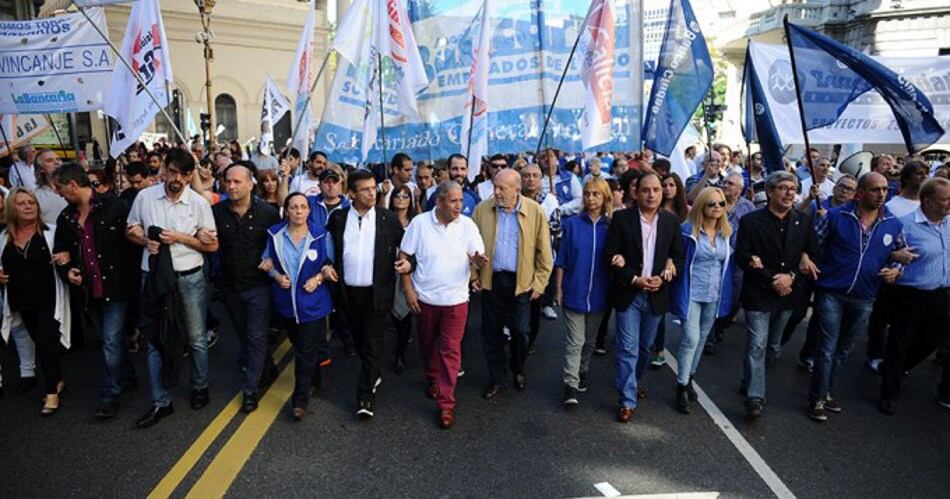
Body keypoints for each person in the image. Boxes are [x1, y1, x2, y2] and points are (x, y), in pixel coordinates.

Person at [126, 148, 219, 429]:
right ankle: (160, 401)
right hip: (154, 279)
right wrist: (145, 241)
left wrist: (180, 238)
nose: (175, 178)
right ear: (163, 169)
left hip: (189, 277)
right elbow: (131, 229)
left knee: (196, 338)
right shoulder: (145, 198)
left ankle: (199, 386)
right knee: (154, 339)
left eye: (182, 173)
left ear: (190, 176)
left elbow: (212, 245)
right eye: (171, 171)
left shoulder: (199, 204)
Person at [806, 172, 903, 422]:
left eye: (884, 189)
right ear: (860, 193)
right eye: (875, 190)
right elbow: (812, 244)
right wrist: (806, 258)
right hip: (832, 292)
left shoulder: (893, 223)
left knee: (843, 349)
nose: (881, 194)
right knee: (827, 348)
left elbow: (900, 254)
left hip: (865, 296)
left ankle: (826, 390)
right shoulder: (836, 217)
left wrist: (897, 270)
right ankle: (817, 397)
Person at [50, 164, 136, 420]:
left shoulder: (115, 207)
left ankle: (110, 395)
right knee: (112, 340)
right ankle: (128, 375)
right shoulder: (66, 218)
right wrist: (68, 269)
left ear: (73, 185)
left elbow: (132, 247)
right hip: (88, 292)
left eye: (59, 188)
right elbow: (61, 250)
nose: (58, 194)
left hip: (116, 289)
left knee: (110, 342)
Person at [399, 181, 486, 429]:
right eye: (453, 201)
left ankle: (446, 403)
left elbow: (477, 257)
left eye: (461, 201)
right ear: (438, 202)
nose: (459, 206)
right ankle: (432, 378)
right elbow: (404, 256)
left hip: (456, 300)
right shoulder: (420, 223)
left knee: (450, 348)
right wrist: (408, 290)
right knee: (428, 345)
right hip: (425, 299)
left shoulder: (467, 225)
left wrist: (478, 261)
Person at [735, 171, 818, 420]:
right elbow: (742, 255)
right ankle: (755, 397)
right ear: (770, 192)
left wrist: (791, 276)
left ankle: (751, 377)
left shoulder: (803, 221)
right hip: (759, 293)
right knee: (757, 345)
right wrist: (773, 278)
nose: (789, 193)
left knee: (773, 347)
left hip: (789, 294)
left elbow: (812, 255)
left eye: (793, 189)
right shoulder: (751, 221)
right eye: (783, 188)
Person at [324, 169, 404, 419]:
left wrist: (406, 263)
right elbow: (328, 249)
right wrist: (326, 266)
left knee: (372, 343)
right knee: (359, 342)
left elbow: (406, 247)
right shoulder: (338, 219)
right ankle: (373, 372)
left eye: (374, 188)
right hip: (348, 293)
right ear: (351, 194)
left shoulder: (387, 219)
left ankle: (365, 396)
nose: (372, 193)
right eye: (365, 189)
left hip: (378, 293)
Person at [605, 172, 683, 423]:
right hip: (630, 293)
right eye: (646, 190)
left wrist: (666, 274)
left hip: (656, 295)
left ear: (662, 193)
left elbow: (679, 256)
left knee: (644, 347)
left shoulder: (671, 222)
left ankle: (634, 381)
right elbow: (611, 255)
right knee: (627, 348)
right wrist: (634, 278)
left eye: (656, 190)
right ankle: (627, 400)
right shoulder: (621, 219)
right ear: (636, 193)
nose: (651, 195)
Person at [472, 169, 553, 398]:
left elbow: (544, 252)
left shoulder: (535, 211)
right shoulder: (482, 210)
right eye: (495, 187)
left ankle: (517, 368)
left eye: (502, 188)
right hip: (492, 280)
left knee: (521, 331)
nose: (496, 192)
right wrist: (474, 276)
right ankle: (497, 377)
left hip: (522, 281)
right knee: (491, 332)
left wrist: (539, 284)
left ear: (517, 190)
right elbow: (469, 246)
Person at [212, 164, 281, 413]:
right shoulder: (217, 212)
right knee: (244, 334)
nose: (231, 186)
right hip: (230, 285)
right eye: (228, 181)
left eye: (237, 182)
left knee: (256, 335)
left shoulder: (268, 213)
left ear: (251, 184)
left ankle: (250, 390)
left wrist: (273, 259)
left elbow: (280, 243)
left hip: (258, 286)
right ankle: (267, 367)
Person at [878, 177, 950, 414]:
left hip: (942, 293)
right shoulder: (905, 225)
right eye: (946, 199)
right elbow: (891, 255)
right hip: (910, 294)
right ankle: (888, 392)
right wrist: (896, 263)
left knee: (933, 339)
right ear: (928, 201)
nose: (949, 203)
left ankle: (899, 368)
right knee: (900, 341)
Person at [263, 193, 336, 421]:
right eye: (293, 207)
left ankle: (299, 400)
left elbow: (329, 263)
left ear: (309, 211)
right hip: (286, 304)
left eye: (303, 207)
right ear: (286, 210)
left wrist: (319, 279)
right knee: (303, 347)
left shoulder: (321, 235)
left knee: (305, 352)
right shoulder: (275, 234)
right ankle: (316, 378)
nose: (298, 211)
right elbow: (267, 261)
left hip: (313, 304)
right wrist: (276, 276)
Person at [0, 188, 71, 415]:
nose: (29, 206)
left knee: (45, 341)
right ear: (12, 208)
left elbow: (69, 252)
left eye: (32, 202)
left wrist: (66, 257)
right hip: (22, 301)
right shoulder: (3, 238)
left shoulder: (51, 232)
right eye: (22, 203)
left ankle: (51, 393)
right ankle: (57, 379)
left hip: (50, 298)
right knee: (40, 341)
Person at [669, 187, 734, 414]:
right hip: (691, 292)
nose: (717, 208)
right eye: (712, 204)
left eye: (721, 203)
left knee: (702, 338)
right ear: (701, 206)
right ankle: (681, 387)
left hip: (714, 294)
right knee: (690, 339)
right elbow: (675, 257)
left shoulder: (727, 232)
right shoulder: (688, 231)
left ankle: (689, 378)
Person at [556, 178, 611, 406]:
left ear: (604, 197)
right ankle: (571, 383)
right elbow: (562, 259)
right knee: (575, 340)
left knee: (589, 340)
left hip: (600, 293)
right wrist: (558, 289)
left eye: (596, 194)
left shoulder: (611, 227)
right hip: (574, 290)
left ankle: (583, 368)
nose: (590, 198)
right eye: (587, 194)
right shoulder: (572, 224)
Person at [389, 183, 418, 373]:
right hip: (386, 272)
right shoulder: (384, 219)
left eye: (405, 195)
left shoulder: (416, 223)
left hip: (408, 273)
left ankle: (401, 353)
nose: (401, 198)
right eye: (397, 195)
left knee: (404, 315)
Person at [32, 149, 67, 225]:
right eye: (50, 160)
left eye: (58, 159)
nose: (57, 163)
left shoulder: (74, 188)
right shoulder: (34, 196)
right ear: (41, 169)